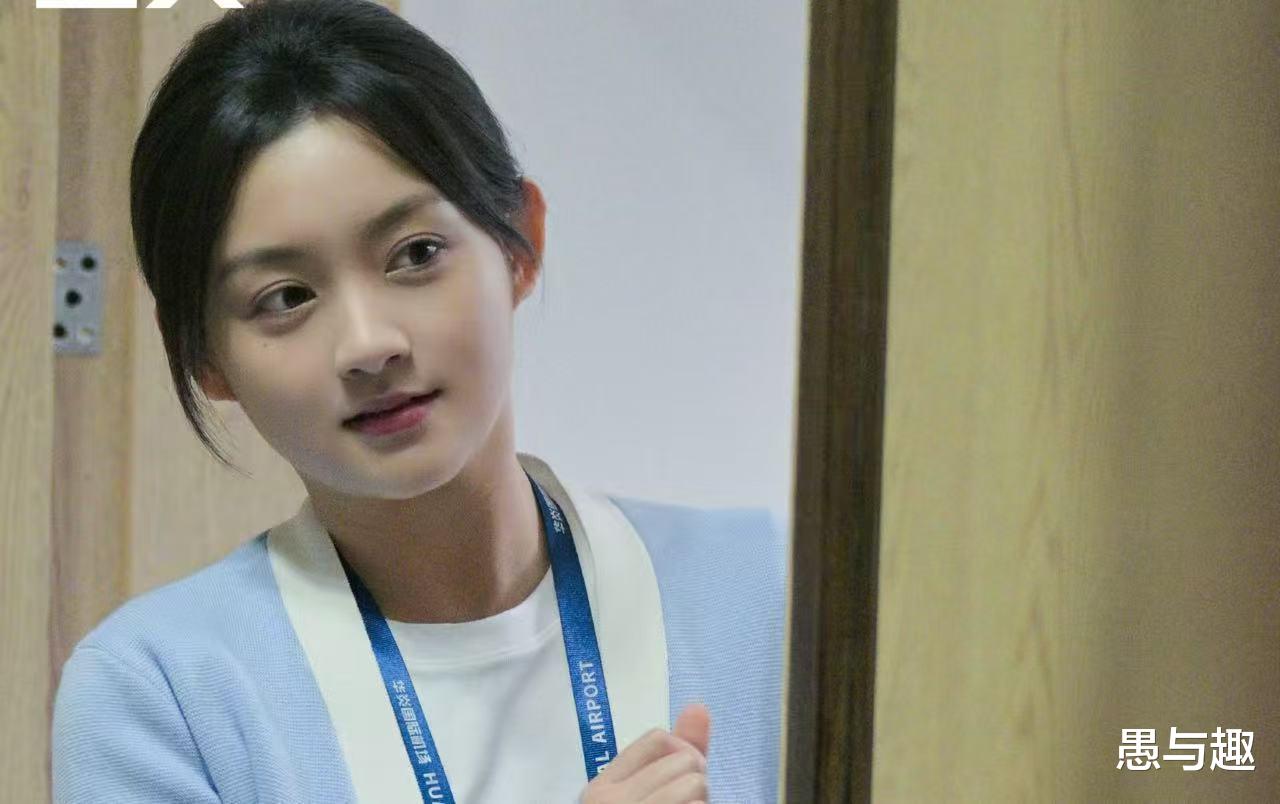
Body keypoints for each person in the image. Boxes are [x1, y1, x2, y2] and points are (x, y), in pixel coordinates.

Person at [51, 1, 786, 801]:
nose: (369, 344)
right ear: (206, 357)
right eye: (286, 296)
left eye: (415, 253)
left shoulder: (766, 589)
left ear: (520, 243)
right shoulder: (161, 695)